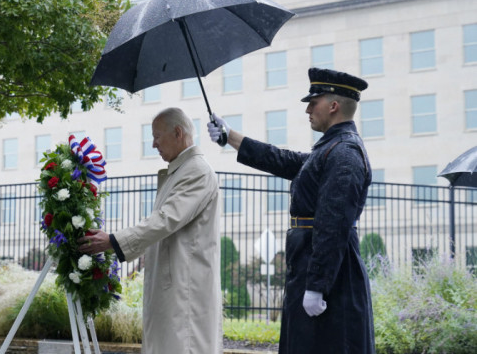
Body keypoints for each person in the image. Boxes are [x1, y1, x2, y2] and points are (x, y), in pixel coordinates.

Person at [207, 67, 375, 354]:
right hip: (310, 261)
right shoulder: (331, 148)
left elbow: (333, 223)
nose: (308, 108)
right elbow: (282, 160)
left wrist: (318, 285)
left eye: (314, 101)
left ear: (333, 106)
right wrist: (229, 136)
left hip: (327, 272)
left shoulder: (344, 152)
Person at [77, 107, 222, 354]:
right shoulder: (181, 171)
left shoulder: (197, 170)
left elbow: (165, 220)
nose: (153, 144)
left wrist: (113, 240)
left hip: (185, 289)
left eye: (156, 136)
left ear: (178, 133)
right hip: (174, 285)